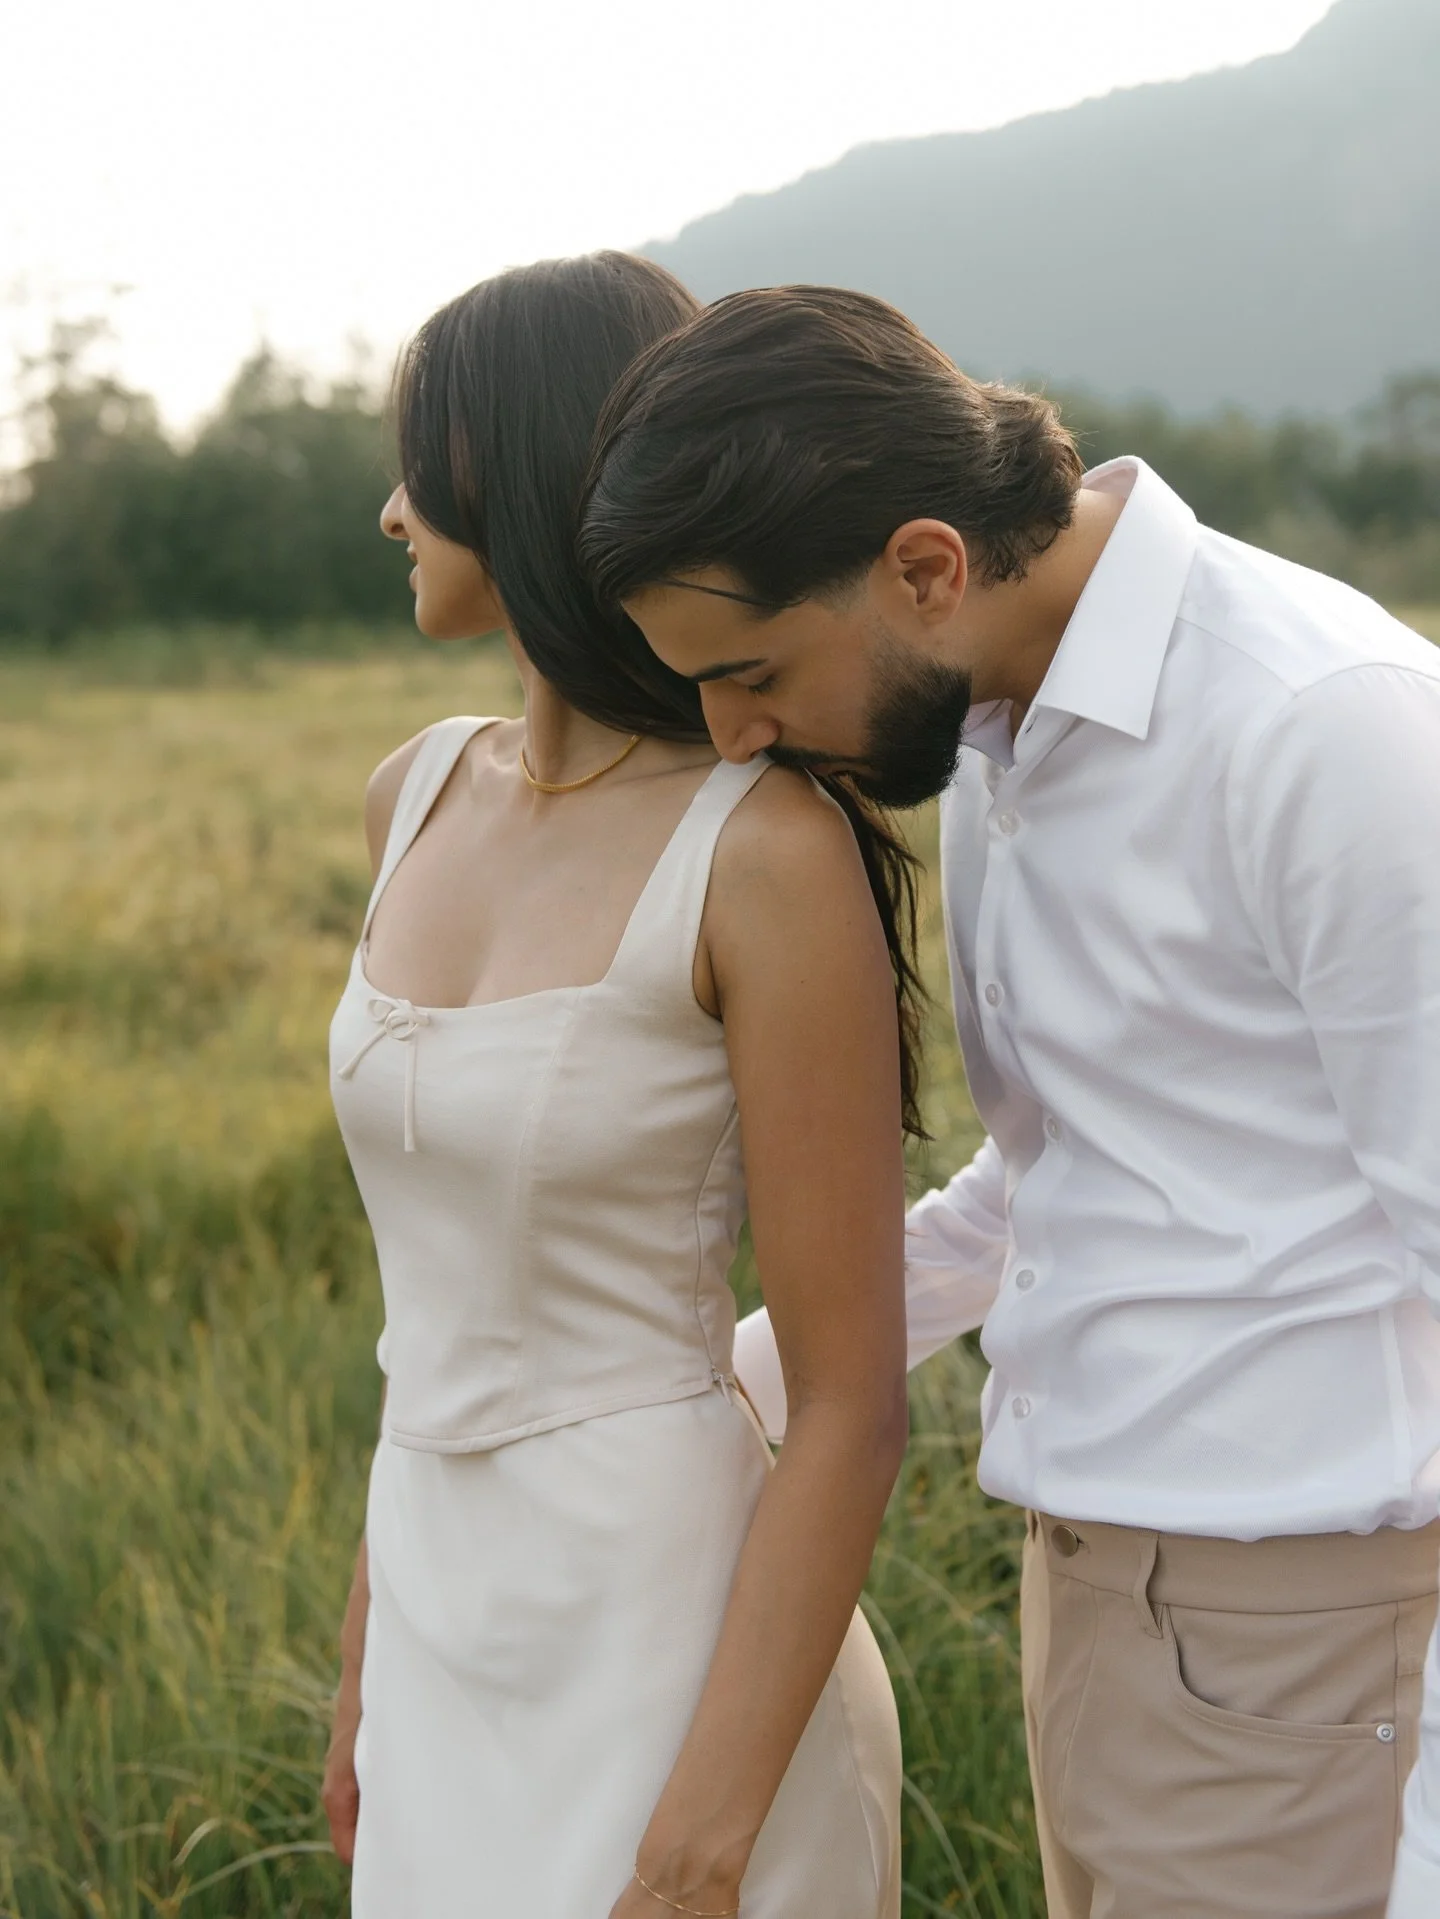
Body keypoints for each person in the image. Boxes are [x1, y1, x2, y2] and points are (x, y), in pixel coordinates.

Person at [578, 284, 1440, 1919]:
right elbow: (1052, 1182)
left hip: (1313, 1645)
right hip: (1104, 1609)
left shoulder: (1324, 729)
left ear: (924, 564)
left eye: (749, 668)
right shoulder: (996, 729)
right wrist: (712, 1387)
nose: (734, 734)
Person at [317, 254, 910, 1919]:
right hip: (438, 1601)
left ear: (515, 466)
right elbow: (424, 1310)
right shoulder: (412, 792)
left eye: (420, 458)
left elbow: (854, 1403)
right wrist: (371, 1649)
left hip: (672, 1627)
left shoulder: (766, 855)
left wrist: (701, 1839)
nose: (389, 509)